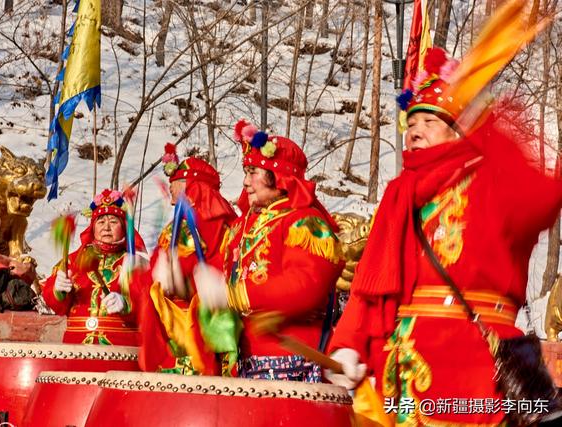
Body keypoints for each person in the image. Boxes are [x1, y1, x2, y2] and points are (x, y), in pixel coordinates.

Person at [327, 48, 562, 425]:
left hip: (472, 366)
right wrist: (348, 345)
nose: (414, 130)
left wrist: (489, 126)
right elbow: (371, 288)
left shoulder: (490, 179)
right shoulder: (399, 196)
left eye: (428, 121)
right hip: (404, 370)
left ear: (459, 128)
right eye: (412, 121)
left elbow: (543, 199)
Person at [195, 120, 344, 382]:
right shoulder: (242, 226)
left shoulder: (303, 221)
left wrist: (238, 295)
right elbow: (220, 279)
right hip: (243, 360)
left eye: (253, 172)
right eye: (245, 172)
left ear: (279, 176)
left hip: (291, 360)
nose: (245, 181)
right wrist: (184, 282)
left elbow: (307, 284)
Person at [138, 144, 238, 374]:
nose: (170, 192)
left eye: (175, 184)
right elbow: (153, 276)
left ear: (192, 188)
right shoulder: (171, 230)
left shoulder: (222, 228)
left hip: (204, 327)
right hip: (170, 327)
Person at [42, 188, 147, 346]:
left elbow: (151, 304)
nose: (106, 228)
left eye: (113, 222)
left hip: (120, 349)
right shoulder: (73, 261)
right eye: (100, 222)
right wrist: (58, 291)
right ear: (93, 227)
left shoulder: (137, 264)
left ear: (124, 227)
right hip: (76, 348)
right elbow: (56, 305)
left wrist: (126, 304)